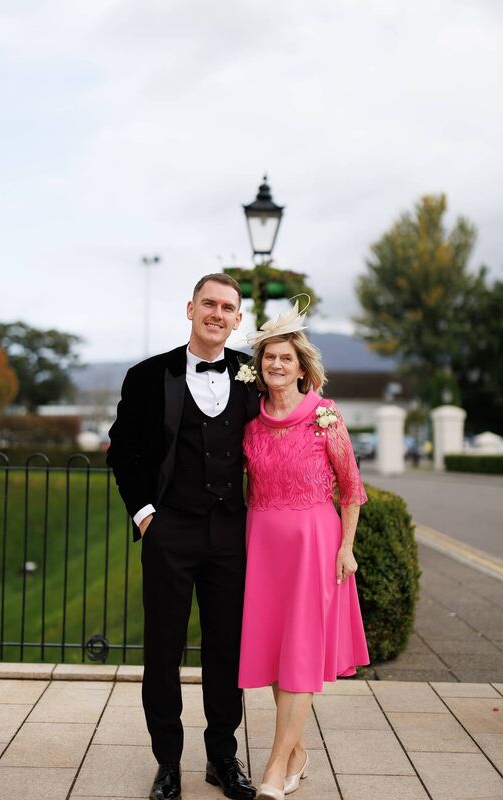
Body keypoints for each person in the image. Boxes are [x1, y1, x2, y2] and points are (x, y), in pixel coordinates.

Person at [107, 274, 259, 800]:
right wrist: (146, 514)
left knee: (226, 649)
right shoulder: (149, 375)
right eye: (209, 304)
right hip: (170, 530)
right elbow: (122, 450)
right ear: (190, 308)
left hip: (231, 536)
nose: (218, 314)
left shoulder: (251, 373)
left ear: (239, 319)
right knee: (163, 649)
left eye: (228, 308)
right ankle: (167, 763)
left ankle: (222, 758)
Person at [237, 301, 369, 800]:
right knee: (277, 654)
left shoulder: (324, 416)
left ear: (301, 365)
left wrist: (347, 548)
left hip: (315, 543)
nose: (276, 365)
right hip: (264, 544)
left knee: (301, 655)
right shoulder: (250, 424)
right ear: (260, 365)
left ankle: (275, 766)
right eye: (269, 357)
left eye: (285, 358)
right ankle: (298, 754)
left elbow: (351, 487)